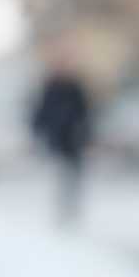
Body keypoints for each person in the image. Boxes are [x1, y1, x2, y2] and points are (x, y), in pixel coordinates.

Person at [31, 62, 91, 220]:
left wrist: (85, 133)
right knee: (60, 176)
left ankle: (72, 208)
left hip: (74, 141)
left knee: (74, 177)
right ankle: (62, 209)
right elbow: (42, 113)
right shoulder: (51, 89)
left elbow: (84, 113)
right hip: (57, 141)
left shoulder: (75, 89)